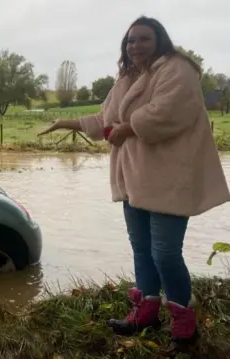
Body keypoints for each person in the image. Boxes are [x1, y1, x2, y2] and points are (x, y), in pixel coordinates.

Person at [38, 16, 230, 354]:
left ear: (159, 40)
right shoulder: (127, 78)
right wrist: (65, 122)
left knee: (166, 254)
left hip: (170, 179)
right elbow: (104, 119)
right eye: (130, 40)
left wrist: (128, 128)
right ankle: (146, 313)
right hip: (135, 178)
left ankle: (185, 328)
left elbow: (167, 112)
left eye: (143, 39)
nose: (135, 46)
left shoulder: (177, 69)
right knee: (142, 250)